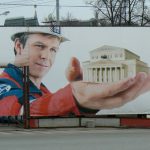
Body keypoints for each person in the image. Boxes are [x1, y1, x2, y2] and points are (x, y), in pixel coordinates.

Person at [0, 27, 149, 116]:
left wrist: (85, 105)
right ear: (19, 46)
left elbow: (52, 112)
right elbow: (19, 109)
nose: (46, 56)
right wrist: (74, 97)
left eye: (53, 50)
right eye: (39, 46)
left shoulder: (41, 90)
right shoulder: (5, 84)